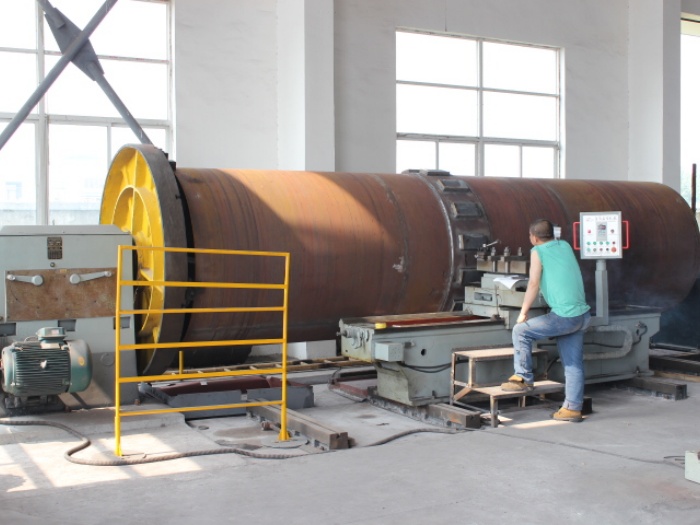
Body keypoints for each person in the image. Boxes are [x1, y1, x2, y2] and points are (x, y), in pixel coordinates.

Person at [501, 218, 591, 422]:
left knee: (520, 331)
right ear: (553, 234)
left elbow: (533, 283)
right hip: (582, 316)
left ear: (533, 237)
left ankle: (523, 377)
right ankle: (572, 409)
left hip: (565, 316)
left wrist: (523, 313)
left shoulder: (537, 251)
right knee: (573, 365)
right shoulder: (564, 245)